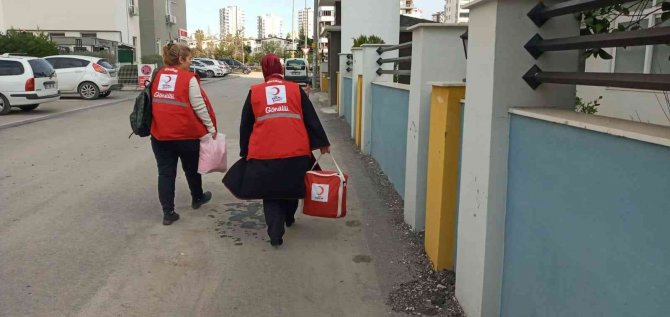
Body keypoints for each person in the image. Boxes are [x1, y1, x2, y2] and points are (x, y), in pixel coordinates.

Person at [239, 53, 330, 246]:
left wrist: (244, 151)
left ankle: (275, 233)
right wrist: (322, 142)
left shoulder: (254, 91)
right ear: (281, 69)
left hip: (264, 153)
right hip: (296, 151)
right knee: (292, 186)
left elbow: (245, 124)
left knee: (270, 193)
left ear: (264, 70)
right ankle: (289, 217)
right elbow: (310, 118)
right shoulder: (295, 90)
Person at [150, 43, 217, 225]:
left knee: (165, 173)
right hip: (186, 135)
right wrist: (210, 129)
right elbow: (200, 107)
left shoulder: (157, 75)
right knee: (192, 169)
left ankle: (168, 212)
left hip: (160, 135)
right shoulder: (188, 79)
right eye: (189, 59)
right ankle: (197, 198)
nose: (190, 63)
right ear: (181, 59)